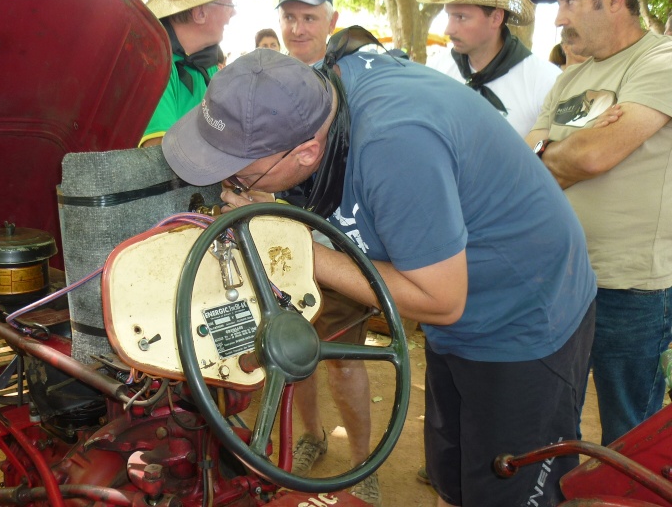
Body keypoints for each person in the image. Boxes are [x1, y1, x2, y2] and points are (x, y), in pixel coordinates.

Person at [161, 47, 596, 507]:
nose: (232, 188)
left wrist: (294, 245)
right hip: (455, 321)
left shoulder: (394, 145)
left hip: (523, 314)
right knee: (457, 477)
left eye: (241, 177)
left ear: (307, 151)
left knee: (508, 489)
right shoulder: (310, 93)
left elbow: (442, 300)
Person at [526, 0, 672, 446]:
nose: (559, 19)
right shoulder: (572, 76)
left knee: (629, 434)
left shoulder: (661, 61)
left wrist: (564, 151)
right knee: (549, 418)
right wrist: (568, 151)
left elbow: (593, 157)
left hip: (630, 289)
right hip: (561, 279)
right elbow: (528, 163)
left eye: (568, 1)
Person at [273, 0, 380, 505]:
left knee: (346, 358)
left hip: (337, 243)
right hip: (280, 242)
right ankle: (310, 437)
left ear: (331, 21)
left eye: (309, 17)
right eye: (290, 16)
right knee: (291, 351)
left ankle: (364, 463)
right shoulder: (270, 80)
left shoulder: (351, 79)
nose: (298, 27)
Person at [416, 0, 560, 136]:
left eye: (461, 17)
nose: (448, 30)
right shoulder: (438, 70)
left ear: (496, 18)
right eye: (449, 16)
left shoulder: (544, 81)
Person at [139, 0, 260, 147]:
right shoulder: (154, 66)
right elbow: (158, 159)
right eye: (229, 3)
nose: (233, 12)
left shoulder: (208, 62)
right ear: (200, 13)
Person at [277, 0, 339, 65]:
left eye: (309, 18)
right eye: (289, 17)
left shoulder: (351, 76)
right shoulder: (263, 76)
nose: (298, 31)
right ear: (279, 21)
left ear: (332, 22)